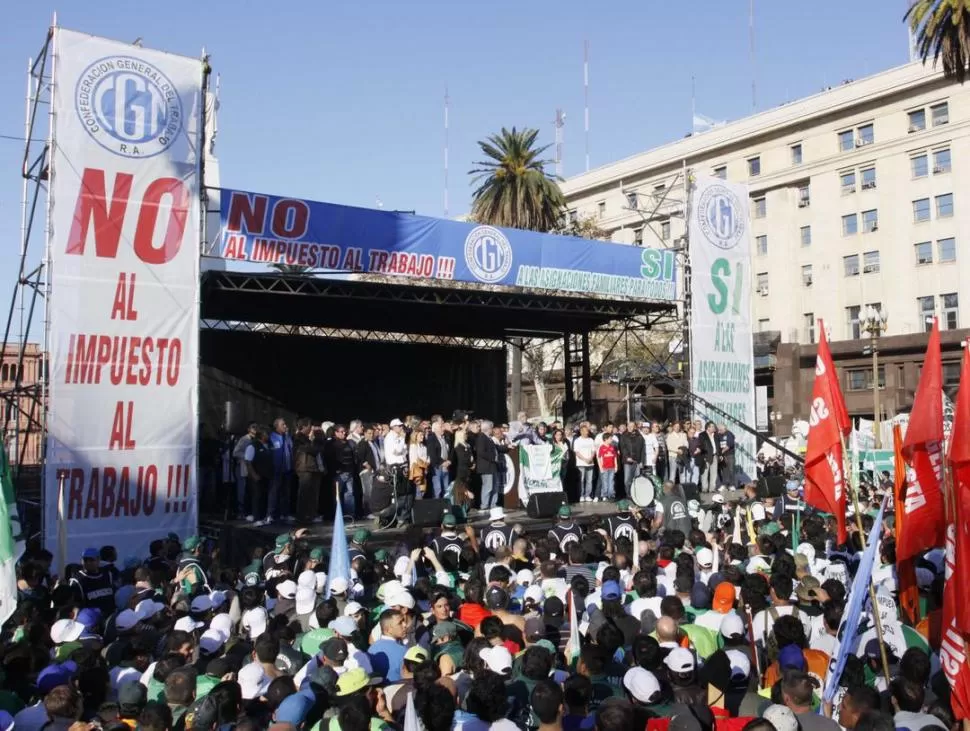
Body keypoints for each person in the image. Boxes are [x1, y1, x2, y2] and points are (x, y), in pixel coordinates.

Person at [293, 417, 322, 524]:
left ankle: (311, 514)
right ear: (304, 426)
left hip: (311, 467)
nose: (311, 428)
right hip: (305, 467)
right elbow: (312, 450)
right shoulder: (299, 438)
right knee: (304, 493)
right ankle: (301, 516)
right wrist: (313, 440)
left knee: (312, 493)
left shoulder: (305, 438)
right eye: (309, 426)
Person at [474, 420, 508, 511]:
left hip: (492, 466)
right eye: (491, 428)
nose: (492, 430)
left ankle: (493, 504)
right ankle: (484, 505)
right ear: (488, 429)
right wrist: (493, 458)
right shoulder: (481, 437)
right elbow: (481, 452)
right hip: (486, 467)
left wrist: (507, 447)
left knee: (495, 486)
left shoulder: (489, 438)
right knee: (488, 487)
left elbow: (497, 448)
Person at [268, 417, 294, 523]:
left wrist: (287, 436)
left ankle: (285, 514)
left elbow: (291, 448)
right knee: (274, 493)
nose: (285, 426)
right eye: (283, 425)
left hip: (287, 470)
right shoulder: (272, 437)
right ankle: (270, 514)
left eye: (285, 424)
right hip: (276, 471)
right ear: (277, 426)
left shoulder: (287, 437)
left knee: (286, 493)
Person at [427, 418, 453, 501]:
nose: (443, 429)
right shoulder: (431, 439)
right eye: (441, 427)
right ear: (435, 429)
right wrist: (442, 462)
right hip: (437, 467)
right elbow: (432, 454)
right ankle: (436, 507)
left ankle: (446, 507)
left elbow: (450, 450)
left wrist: (449, 460)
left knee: (446, 488)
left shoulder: (445, 438)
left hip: (446, 466)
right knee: (438, 489)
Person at [573, 425, 596, 503]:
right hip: (581, 463)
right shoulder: (577, 440)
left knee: (589, 480)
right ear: (581, 431)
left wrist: (590, 458)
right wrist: (585, 459)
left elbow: (593, 451)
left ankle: (587, 495)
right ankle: (581, 495)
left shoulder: (591, 440)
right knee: (581, 480)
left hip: (590, 463)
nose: (587, 432)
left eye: (588, 430)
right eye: (586, 430)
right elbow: (577, 452)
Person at [596, 424, 618, 503]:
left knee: (611, 482)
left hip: (612, 467)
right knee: (604, 482)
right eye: (610, 439)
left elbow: (615, 457)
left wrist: (616, 466)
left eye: (611, 438)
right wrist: (600, 467)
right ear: (605, 439)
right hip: (604, 467)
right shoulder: (601, 447)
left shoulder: (612, 447)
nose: (611, 440)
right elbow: (599, 458)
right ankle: (604, 495)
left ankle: (611, 495)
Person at [698, 421, 719, 493]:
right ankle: (704, 488)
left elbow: (718, 446)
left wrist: (720, 455)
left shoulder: (716, 435)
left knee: (714, 473)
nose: (714, 428)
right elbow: (701, 446)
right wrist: (703, 456)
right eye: (712, 426)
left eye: (714, 426)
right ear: (708, 427)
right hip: (706, 456)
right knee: (705, 473)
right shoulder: (702, 435)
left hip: (714, 456)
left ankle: (712, 488)